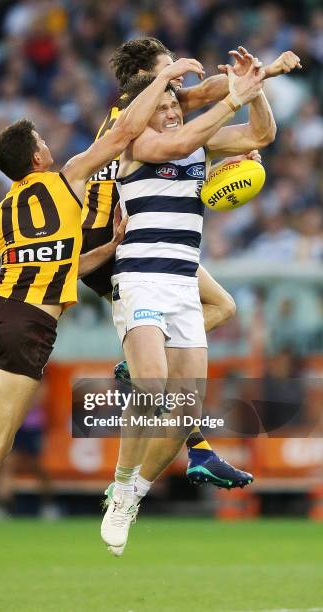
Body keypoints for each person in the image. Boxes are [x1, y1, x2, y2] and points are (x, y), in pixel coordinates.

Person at [0, 58, 196, 592]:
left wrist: (109, 248)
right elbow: (122, 136)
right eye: (43, 141)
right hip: (30, 322)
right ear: (39, 155)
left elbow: (53, 262)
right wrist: (162, 80)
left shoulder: (2, 211)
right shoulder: (66, 179)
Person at [81, 38, 302, 490]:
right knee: (158, 380)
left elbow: (220, 95)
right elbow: (209, 98)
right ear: (147, 75)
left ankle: (191, 442)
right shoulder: (135, 114)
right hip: (110, 241)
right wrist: (255, 80)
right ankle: (182, 450)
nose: (180, 77)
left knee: (222, 307)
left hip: (147, 241)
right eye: (169, 69)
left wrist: (262, 76)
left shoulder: (155, 104)